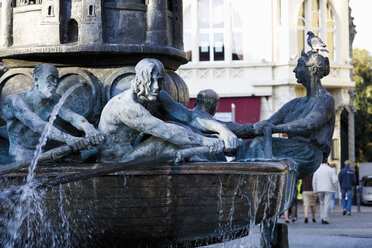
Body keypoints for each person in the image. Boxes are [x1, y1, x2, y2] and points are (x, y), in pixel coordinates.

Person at [97, 58, 239, 162]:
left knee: (184, 129)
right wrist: (205, 141)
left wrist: (222, 130)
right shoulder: (127, 107)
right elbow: (167, 132)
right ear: (139, 81)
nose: (156, 87)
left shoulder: (158, 96)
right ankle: (205, 175)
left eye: (158, 80)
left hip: (133, 151)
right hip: (115, 163)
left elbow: (190, 117)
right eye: (150, 82)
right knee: (164, 141)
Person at [236, 51, 335, 180]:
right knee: (243, 147)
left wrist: (275, 128)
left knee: (259, 143)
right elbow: (267, 122)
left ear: (312, 70)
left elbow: (309, 124)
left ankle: (256, 189)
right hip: (294, 148)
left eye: (299, 65)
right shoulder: (295, 103)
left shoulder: (326, 100)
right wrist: (231, 131)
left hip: (308, 153)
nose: (295, 70)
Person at [1, 64, 104, 162]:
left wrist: (88, 127)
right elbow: (36, 124)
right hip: (23, 154)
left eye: (56, 80)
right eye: (51, 79)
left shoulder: (53, 99)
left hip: (44, 151)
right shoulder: (17, 100)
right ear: (36, 79)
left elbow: (72, 116)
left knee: (75, 158)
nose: (55, 83)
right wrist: (68, 138)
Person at [312, 160, 338, 224]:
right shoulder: (330, 170)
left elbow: (314, 181)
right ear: (327, 162)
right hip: (328, 188)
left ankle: (322, 217)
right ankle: (325, 218)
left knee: (321, 203)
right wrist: (334, 187)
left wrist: (315, 190)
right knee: (326, 203)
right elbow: (335, 180)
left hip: (319, 188)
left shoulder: (317, 170)